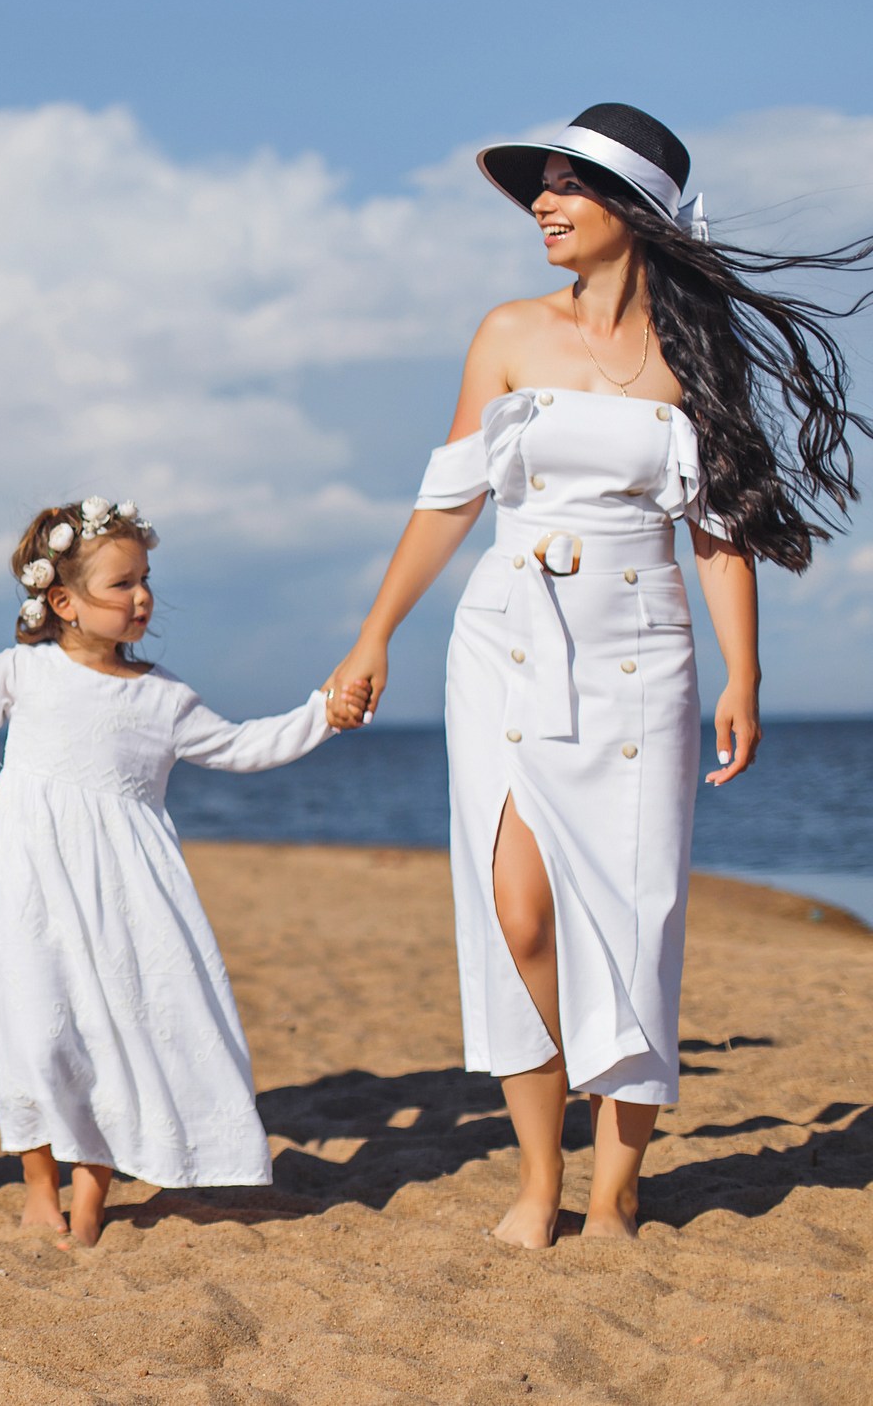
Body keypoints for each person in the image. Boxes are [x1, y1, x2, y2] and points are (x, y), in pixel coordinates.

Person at [324, 103, 873, 1247]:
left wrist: (746, 676)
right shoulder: (508, 332)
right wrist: (375, 633)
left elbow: (719, 530)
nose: (544, 204)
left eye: (571, 186)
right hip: (506, 637)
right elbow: (449, 497)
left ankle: (615, 1191)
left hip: (641, 646)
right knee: (514, 912)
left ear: (637, 212)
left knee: (632, 919)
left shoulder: (697, 356)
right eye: (542, 185)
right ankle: (539, 1180)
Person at [0, 498, 367, 1247]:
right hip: (32, 891)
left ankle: (90, 1195)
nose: (142, 595)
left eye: (145, 579)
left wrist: (322, 713)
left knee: (110, 1033)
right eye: (121, 584)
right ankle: (37, 1185)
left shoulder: (164, 698)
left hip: (127, 895)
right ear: (64, 602)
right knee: (38, 1031)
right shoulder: (23, 672)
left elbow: (246, 746)